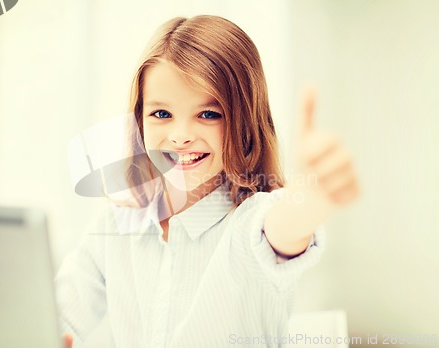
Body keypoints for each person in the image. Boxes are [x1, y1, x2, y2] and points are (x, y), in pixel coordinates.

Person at [56, 15, 359, 348]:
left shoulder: (251, 223)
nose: (181, 136)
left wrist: (312, 196)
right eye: (161, 114)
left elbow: (287, 226)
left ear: (244, 122)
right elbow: (59, 315)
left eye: (208, 114)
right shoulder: (115, 225)